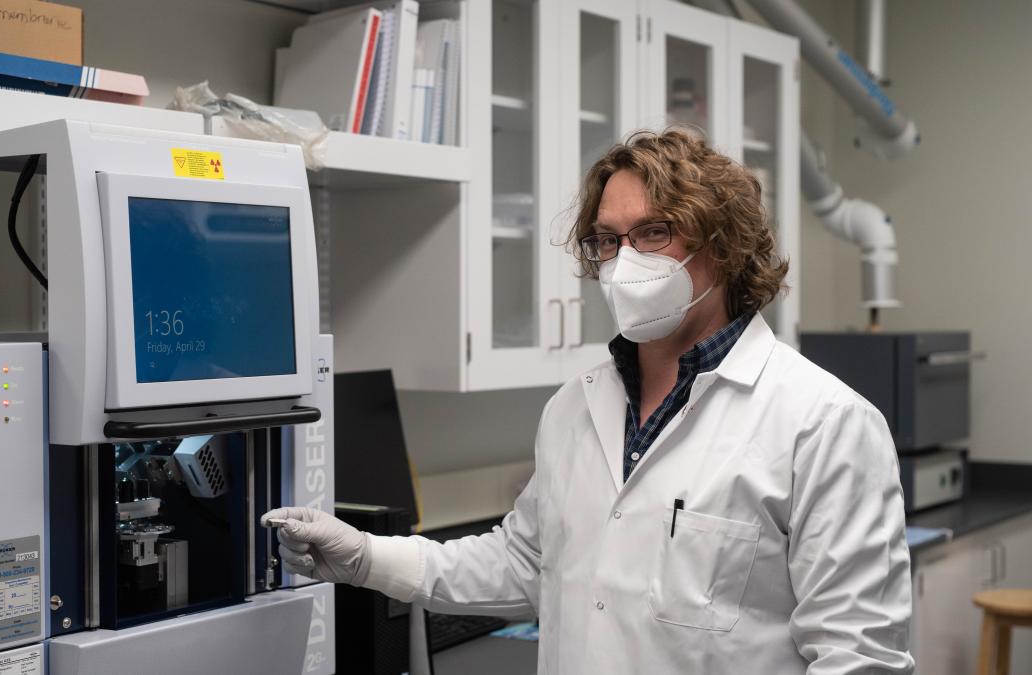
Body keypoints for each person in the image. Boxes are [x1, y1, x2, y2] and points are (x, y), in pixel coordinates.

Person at [263, 130, 914, 674]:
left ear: (725, 244)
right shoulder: (575, 407)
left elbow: (859, 656)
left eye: (653, 233)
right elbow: (524, 565)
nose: (622, 261)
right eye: (607, 240)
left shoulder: (825, 422)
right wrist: (368, 556)